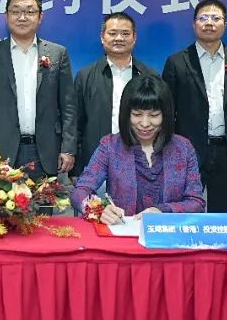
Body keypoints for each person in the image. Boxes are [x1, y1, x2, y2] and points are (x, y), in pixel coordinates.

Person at [161, 0, 227, 213]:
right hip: (187, 153)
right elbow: (165, 113)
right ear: (194, 24)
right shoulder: (177, 62)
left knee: (222, 216)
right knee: (185, 213)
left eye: (216, 18)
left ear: (225, 24)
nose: (209, 23)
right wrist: (169, 151)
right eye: (203, 18)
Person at [0, 0, 76, 179]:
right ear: (6, 16)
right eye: (16, 12)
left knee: (46, 199)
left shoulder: (57, 53)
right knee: (1, 200)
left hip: (47, 151)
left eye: (29, 12)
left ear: (40, 16)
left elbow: (68, 106)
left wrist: (68, 148)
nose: (22, 17)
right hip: (1, 152)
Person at [71, 75, 205, 223]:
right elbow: (80, 191)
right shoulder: (110, 146)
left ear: (165, 115)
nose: (145, 123)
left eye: (154, 115)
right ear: (126, 114)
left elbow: (196, 202)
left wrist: (163, 211)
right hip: (122, 231)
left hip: (167, 232)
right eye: (137, 115)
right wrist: (99, 209)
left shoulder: (183, 148)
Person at [74, 11, 159, 175]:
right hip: (96, 164)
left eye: (125, 34)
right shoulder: (85, 76)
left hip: (140, 163)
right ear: (102, 37)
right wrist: (77, 169)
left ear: (134, 38)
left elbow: (160, 122)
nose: (119, 38)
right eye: (112, 33)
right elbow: (76, 124)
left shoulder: (150, 76)